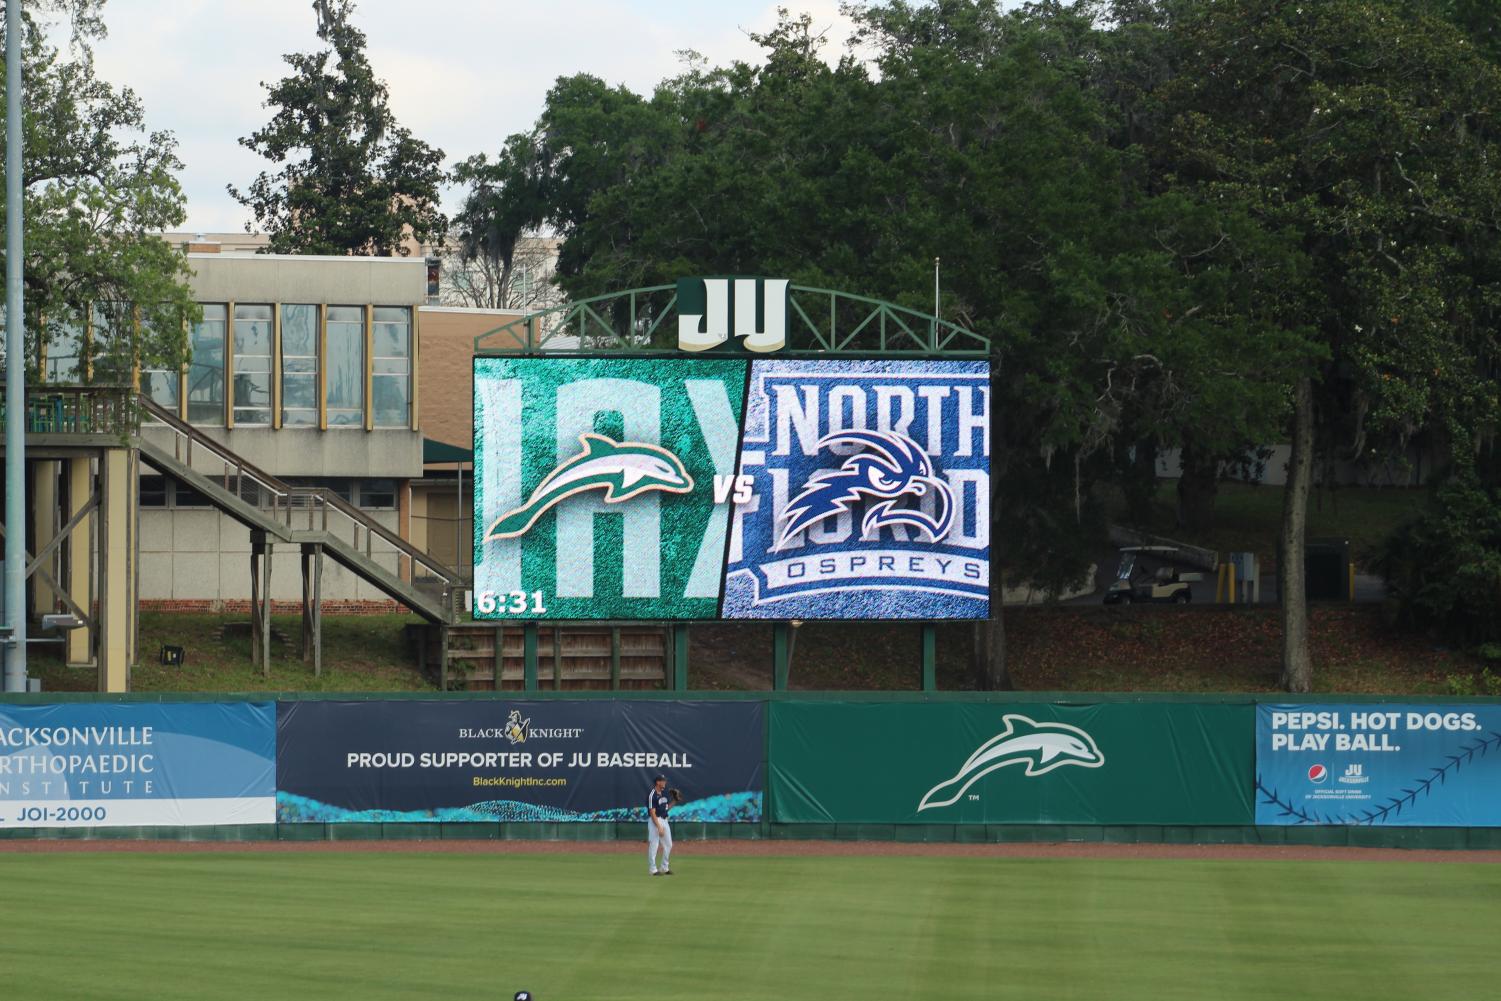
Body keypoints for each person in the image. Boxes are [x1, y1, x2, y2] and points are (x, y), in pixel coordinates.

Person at [647, 773, 673, 876]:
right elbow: (652, 813)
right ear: (658, 782)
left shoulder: (664, 794)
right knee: (654, 845)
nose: (665, 782)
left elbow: (666, 808)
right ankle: (652, 869)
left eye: (665, 780)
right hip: (655, 820)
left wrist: (675, 801)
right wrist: (659, 826)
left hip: (664, 820)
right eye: (663, 781)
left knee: (669, 844)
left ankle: (664, 867)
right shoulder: (652, 795)